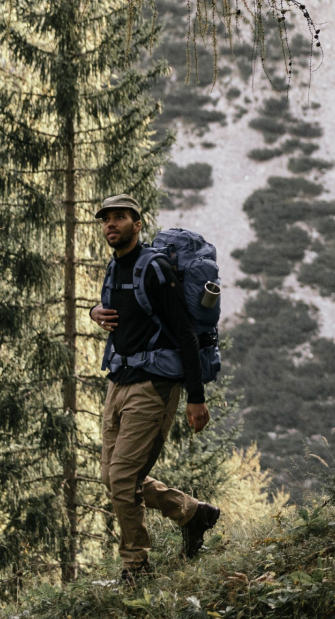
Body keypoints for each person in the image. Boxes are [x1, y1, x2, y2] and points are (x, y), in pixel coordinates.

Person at [86, 194, 221, 582]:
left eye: (120, 218)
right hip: (119, 381)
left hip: (154, 384)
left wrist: (196, 397)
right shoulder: (115, 267)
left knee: (124, 480)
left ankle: (137, 569)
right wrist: (92, 311)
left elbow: (184, 332)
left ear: (137, 224)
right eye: (107, 219)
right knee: (112, 478)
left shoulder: (155, 268)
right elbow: (115, 312)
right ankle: (193, 513)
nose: (111, 224)